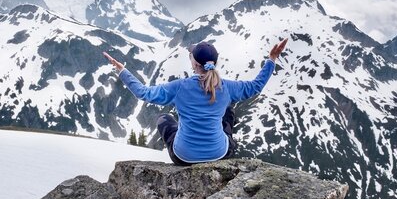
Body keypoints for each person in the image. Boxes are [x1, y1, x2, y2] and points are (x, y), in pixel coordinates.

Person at [103, 38, 288, 165]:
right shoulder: (227, 88)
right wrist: (272, 59)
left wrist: (122, 71)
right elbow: (255, 86)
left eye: (191, 55)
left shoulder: (179, 87)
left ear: (194, 63)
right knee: (229, 113)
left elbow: (143, 93)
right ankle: (219, 143)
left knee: (164, 119)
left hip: (183, 157)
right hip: (219, 155)